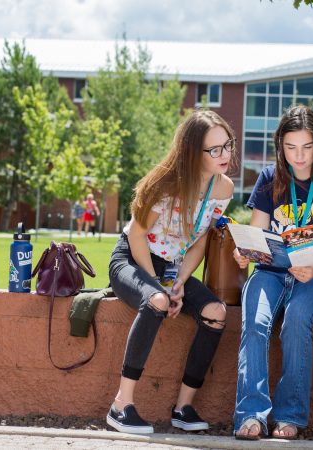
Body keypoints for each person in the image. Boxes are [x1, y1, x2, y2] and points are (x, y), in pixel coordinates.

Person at [232, 105, 313, 440]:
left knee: (296, 320)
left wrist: (312, 268)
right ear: (280, 147)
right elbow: (257, 234)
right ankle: (252, 415)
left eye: (306, 147)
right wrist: (244, 252)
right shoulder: (269, 179)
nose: (298, 157)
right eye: (290, 148)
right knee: (256, 323)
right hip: (270, 273)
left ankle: (291, 416)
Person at [106, 110, 235, 434]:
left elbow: (201, 239)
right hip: (133, 259)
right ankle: (121, 405)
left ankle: (183, 407)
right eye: (215, 149)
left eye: (227, 145)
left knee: (215, 312)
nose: (225, 155)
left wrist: (177, 282)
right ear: (194, 152)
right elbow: (137, 235)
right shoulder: (165, 183)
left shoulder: (223, 189)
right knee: (157, 303)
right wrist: (158, 286)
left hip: (172, 265)